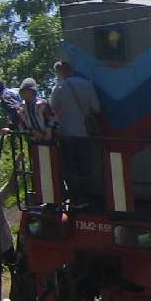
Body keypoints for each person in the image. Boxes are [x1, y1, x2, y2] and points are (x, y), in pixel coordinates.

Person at [51, 60, 104, 198]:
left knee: (70, 166)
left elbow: (52, 112)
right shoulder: (87, 84)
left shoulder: (59, 88)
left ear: (60, 72)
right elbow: (97, 109)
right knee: (86, 165)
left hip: (66, 134)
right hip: (85, 132)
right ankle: (87, 194)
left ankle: (75, 196)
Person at [17, 77, 58, 144]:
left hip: (50, 138)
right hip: (33, 140)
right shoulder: (21, 108)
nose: (26, 94)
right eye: (24, 92)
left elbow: (52, 119)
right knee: (37, 154)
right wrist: (32, 132)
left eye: (28, 91)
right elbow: (21, 125)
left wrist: (49, 130)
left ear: (34, 92)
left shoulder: (42, 104)